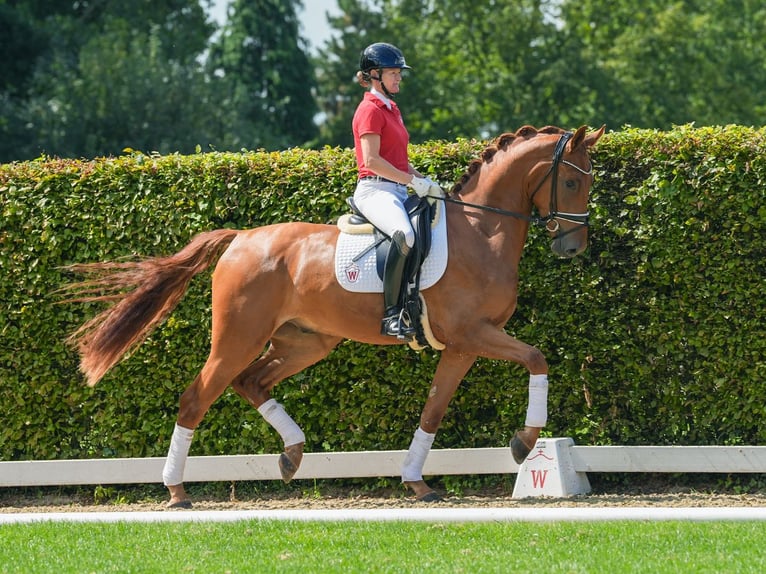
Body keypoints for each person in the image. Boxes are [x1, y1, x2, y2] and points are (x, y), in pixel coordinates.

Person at [352, 42, 441, 339]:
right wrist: (410, 182)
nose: (399, 78)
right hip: (375, 191)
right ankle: (392, 314)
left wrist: (424, 181)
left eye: (399, 73)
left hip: (397, 190)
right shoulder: (369, 110)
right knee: (406, 235)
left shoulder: (392, 109)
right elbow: (372, 161)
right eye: (393, 73)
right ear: (374, 75)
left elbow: (399, 161)